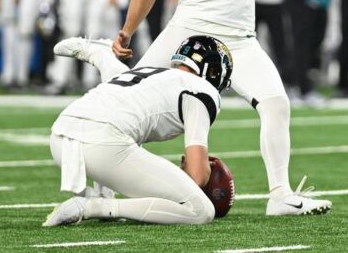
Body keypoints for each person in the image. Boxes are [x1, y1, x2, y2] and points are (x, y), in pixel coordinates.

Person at [111, 0, 347, 215]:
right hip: (190, 29)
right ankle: (98, 188)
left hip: (238, 36)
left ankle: (280, 195)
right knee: (128, 105)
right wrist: (127, 30)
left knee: (276, 103)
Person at [42, 35, 231, 226]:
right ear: (215, 72)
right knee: (201, 211)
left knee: (124, 127)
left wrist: (97, 53)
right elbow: (198, 176)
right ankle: (91, 207)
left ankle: (100, 195)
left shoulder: (148, 72)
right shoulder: (203, 90)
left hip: (60, 138)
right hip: (100, 144)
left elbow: (112, 69)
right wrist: (204, 173)